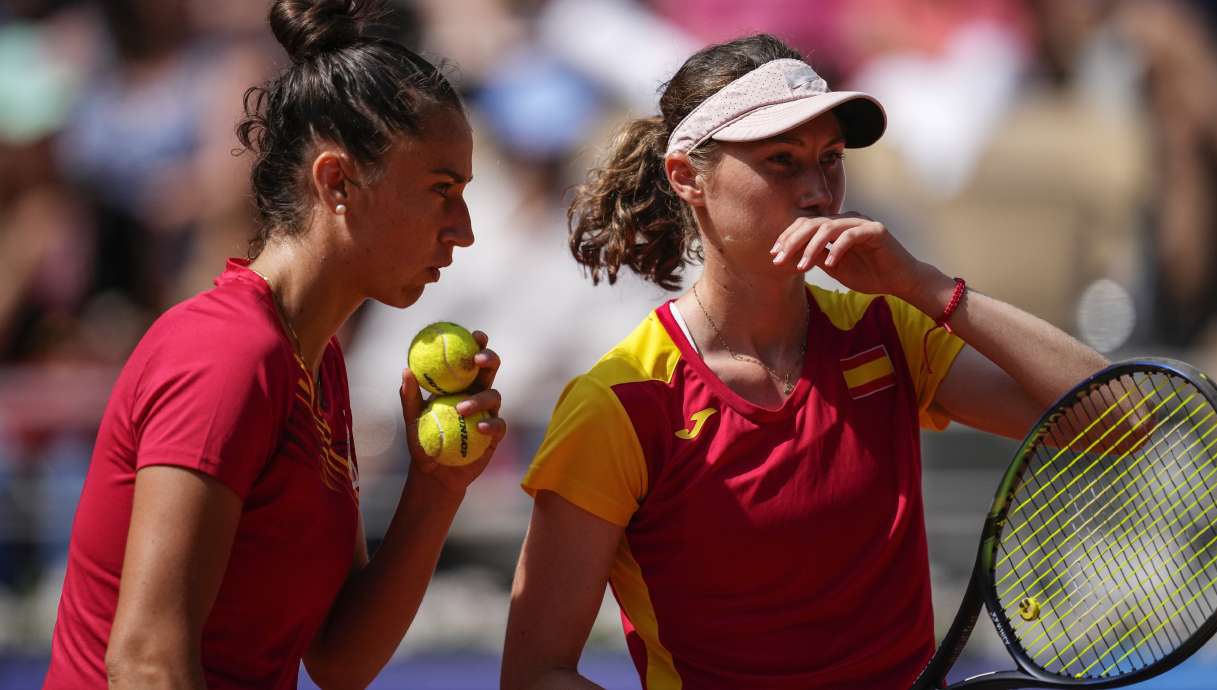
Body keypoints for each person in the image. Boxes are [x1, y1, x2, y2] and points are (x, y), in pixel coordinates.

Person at [501, 34, 1106, 689]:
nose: (818, 190)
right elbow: (537, 674)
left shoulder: (891, 330)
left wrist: (927, 287)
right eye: (782, 160)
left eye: (830, 159)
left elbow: (1121, 422)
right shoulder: (619, 405)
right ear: (687, 178)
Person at [43, 1, 506, 688]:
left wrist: (436, 490)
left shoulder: (315, 360)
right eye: (442, 190)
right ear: (337, 182)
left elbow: (339, 660)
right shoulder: (225, 355)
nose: (463, 229)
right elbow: (145, 664)